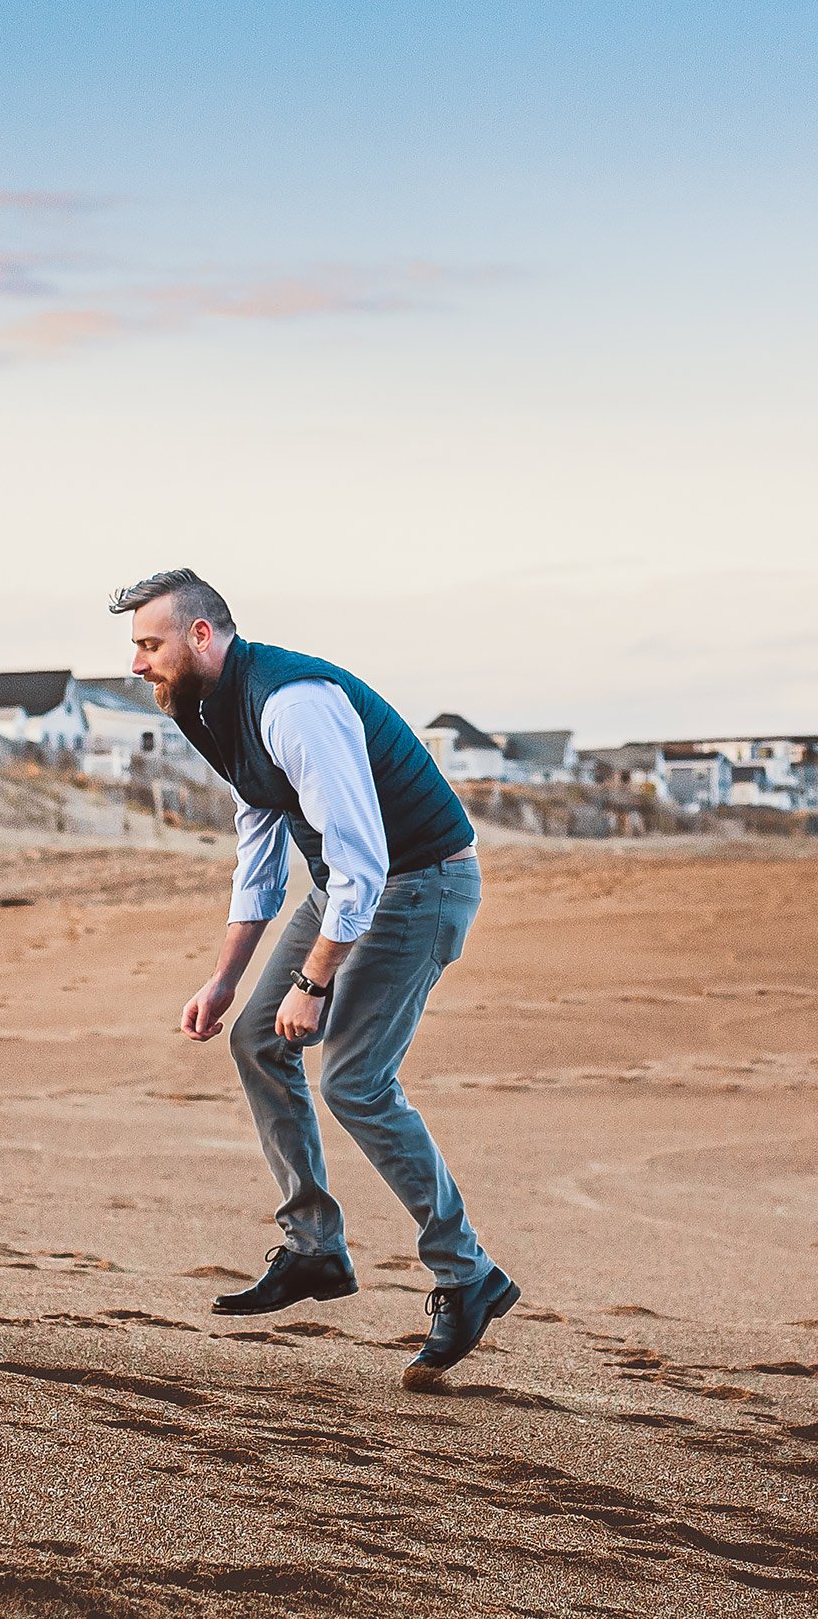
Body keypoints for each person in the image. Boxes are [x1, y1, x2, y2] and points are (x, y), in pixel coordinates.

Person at [115, 567, 518, 1380]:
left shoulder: (294, 701)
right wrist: (227, 978)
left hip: (421, 882)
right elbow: (261, 847)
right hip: (354, 884)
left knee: (356, 1082)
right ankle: (314, 1249)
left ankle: (466, 1275)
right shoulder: (206, 708)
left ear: (201, 636)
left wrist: (315, 979)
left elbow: (363, 856)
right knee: (257, 1040)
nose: (136, 663)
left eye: (149, 644)